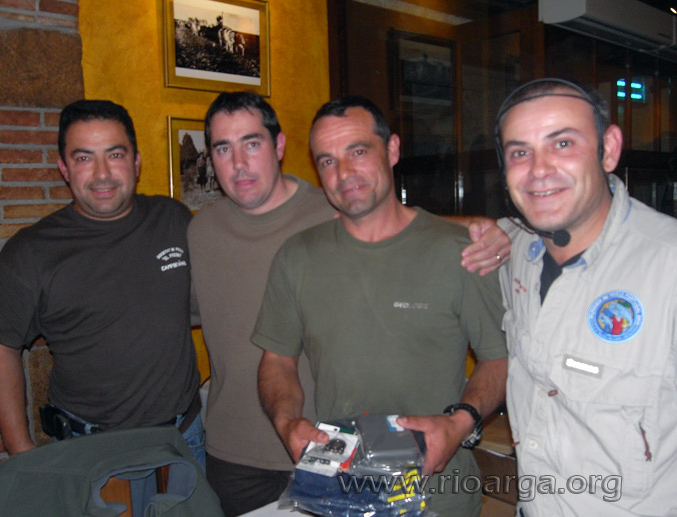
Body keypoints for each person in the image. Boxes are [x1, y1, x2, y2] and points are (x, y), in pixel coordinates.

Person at [188, 92, 510, 516]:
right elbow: (277, 360)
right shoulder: (291, 254)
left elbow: (501, 358)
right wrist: (287, 422)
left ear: (392, 149)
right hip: (336, 486)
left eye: (358, 151)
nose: (343, 172)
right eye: (327, 160)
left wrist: (460, 422)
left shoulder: (461, 252)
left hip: (439, 489)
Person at [0, 100, 205, 468]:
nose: (102, 174)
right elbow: (1, 347)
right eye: (84, 158)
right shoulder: (30, 252)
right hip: (89, 452)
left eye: (114, 155)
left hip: (184, 439)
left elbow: (204, 302)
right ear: (64, 168)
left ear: (136, 162)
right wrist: (19, 449)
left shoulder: (173, 218)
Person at [496, 78, 677, 516]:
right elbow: (434, 232)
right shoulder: (515, 249)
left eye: (562, 143)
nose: (539, 170)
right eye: (519, 152)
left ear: (608, 150)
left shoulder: (668, 265)